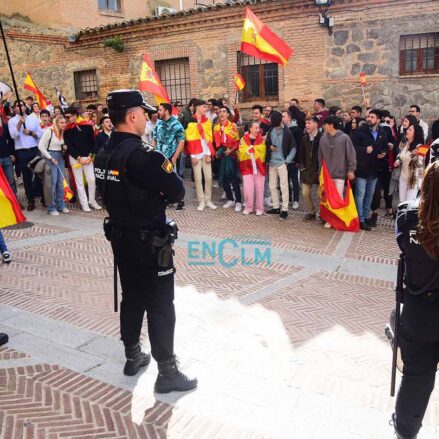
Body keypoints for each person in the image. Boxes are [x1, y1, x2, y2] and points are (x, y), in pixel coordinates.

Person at [94, 89, 197, 393]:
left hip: (121, 239)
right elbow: (177, 190)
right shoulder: (144, 155)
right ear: (132, 116)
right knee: (161, 304)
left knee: (132, 296)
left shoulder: (104, 153)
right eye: (144, 113)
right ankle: (167, 371)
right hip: (150, 242)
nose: (147, 118)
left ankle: (132, 355)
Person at [392, 161, 439, 439]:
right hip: (420, 309)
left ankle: (405, 433)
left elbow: (403, 245)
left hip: (418, 310)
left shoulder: (406, 216)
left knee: (415, 379)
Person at [351, 109, 389, 231]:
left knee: (369, 194)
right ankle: (360, 218)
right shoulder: (360, 131)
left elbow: (385, 147)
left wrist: (384, 153)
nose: (369, 119)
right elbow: (352, 148)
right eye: (368, 116)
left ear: (378, 120)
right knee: (360, 194)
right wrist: (364, 150)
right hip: (362, 168)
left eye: (372, 117)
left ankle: (366, 216)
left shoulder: (382, 132)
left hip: (374, 169)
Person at [319, 115, 357, 228]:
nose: (323, 126)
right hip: (326, 174)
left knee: (338, 197)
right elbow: (320, 157)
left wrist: (351, 170)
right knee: (327, 198)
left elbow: (351, 155)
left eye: (325, 124)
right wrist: (319, 172)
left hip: (340, 174)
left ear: (330, 125)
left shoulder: (344, 138)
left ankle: (339, 219)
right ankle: (330, 219)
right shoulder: (323, 138)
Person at [64, 106, 102, 212]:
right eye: (66, 117)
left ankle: (92, 201)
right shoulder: (67, 129)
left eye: (69, 117)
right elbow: (69, 146)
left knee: (91, 179)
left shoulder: (87, 126)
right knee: (79, 181)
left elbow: (92, 142)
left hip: (88, 156)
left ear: (75, 115)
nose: (67, 119)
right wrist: (78, 157)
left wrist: (90, 155)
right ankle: (84, 202)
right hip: (75, 158)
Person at [8, 100, 43, 211]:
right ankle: (30, 200)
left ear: (24, 107)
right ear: (14, 108)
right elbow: (13, 136)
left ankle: (43, 197)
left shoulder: (33, 118)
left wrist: (31, 133)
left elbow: (40, 134)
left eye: (22, 105)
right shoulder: (12, 121)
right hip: (22, 152)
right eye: (17, 105)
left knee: (39, 175)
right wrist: (19, 123)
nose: (20, 107)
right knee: (26, 177)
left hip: (34, 150)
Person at [152, 103, 185, 210]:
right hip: (158, 156)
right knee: (161, 178)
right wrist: (152, 152)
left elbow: (181, 141)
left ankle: (180, 200)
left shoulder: (176, 124)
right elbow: (154, 138)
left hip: (170, 156)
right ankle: (167, 199)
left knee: (173, 178)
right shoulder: (159, 123)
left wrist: (175, 157)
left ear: (166, 111)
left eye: (160, 110)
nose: (158, 112)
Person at [185, 99, 217, 211]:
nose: (206, 109)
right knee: (198, 179)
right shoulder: (190, 121)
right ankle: (201, 201)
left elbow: (209, 138)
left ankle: (208, 200)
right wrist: (193, 156)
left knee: (208, 178)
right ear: (198, 107)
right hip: (196, 155)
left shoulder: (207, 121)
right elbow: (189, 140)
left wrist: (208, 154)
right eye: (204, 107)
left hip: (205, 154)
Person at [266, 111, 296, 221]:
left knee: (284, 186)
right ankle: (276, 207)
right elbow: (267, 143)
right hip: (272, 162)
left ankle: (284, 210)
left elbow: (293, 148)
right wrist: (270, 146)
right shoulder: (271, 130)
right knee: (272, 186)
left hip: (282, 163)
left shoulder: (287, 132)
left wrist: (286, 161)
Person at [38, 115, 70, 216]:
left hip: (60, 156)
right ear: (56, 123)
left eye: (65, 122)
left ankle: (61, 204)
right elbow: (41, 146)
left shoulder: (62, 131)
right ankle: (51, 207)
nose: (64, 124)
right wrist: (50, 158)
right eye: (62, 123)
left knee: (61, 182)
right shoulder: (49, 131)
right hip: (51, 157)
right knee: (52, 183)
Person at [213, 106, 242, 211]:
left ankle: (238, 200)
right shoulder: (216, 128)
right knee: (224, 177)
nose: (221, 113)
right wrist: (217, 152)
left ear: (228, 114)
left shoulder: (232, 126)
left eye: (224, 111)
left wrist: (230, 150)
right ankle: (230, 199)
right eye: (220, 111)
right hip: (221, 154)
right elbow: (215, 142)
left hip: (231, 154)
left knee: (233, 177)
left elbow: (237, 142)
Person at [237, 121, 267, 215]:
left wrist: (254, 149)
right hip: (247, 167)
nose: (258, 130)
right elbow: (241, 151)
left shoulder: (261, 139)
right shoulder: (244, 139)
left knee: (259, 188)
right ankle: (248, 207)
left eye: (259, 128)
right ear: (250, 129)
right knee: (247, 188)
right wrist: (248, 150)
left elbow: (263, 151)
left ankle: (259, 208)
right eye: (256, 128)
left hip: (259, 168)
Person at [394, 123, 425, 203]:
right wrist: (397, 161)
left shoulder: (421, 147)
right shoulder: (404, 144)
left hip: (413, 180)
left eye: (410, 130)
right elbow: (400, 156)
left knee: (409, 204)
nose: (407, 131)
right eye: (407, 129)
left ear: (415, 133)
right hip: (402, 178)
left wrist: (413, 155)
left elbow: (419, 164)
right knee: (402, 203)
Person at [299, 116, 322, 220]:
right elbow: (301, 155)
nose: (306, 125)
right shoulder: (304, 138)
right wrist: (302, 167)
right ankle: (311, 212)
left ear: (316, 125)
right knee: (305, 193)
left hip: (319, 171)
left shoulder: (322, 138)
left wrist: (321, 170)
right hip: (307, 170)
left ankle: (323, 214)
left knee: (320, 194)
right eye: (306, 123)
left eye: (309, 123)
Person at [282, 110, 302, 209]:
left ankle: (296, 200)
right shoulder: (281, 129)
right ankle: (288, 199)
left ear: (289, 117)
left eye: (284, 116)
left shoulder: (296, 129)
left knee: (294, 181)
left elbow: (298, 146)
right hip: (283, 160)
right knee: (285, 181)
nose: (282, 119)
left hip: (293, 160)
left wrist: (298, 160)